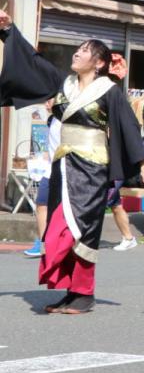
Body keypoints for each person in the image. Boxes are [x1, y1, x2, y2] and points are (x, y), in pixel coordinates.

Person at [0, 12, 144, 315]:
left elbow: (127, 126)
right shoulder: (64, 85)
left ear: (98, 63)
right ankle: (71, 292)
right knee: (62, 227)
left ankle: (84, 293)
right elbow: (33, 62)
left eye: (85, 50)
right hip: (62, 167)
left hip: (91, 169)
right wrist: (7, 30)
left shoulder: (108, 91)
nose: (77, 52)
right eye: (78, 48)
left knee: (79, 230)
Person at [26, 100, 61, 259]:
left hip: (64, 171)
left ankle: (60, 243)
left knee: (61, 209)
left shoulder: (65, 121)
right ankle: (43, 243)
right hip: (49, 170)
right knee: (41, 203)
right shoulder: (50, 120)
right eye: (45, 101)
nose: (46, 105)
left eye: (50, 101)